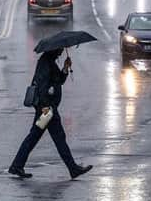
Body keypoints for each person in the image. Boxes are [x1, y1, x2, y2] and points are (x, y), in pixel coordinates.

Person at [9, 48, 93, 179]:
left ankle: (17, 165)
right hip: (47, 110)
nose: (60, 53)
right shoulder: (45, 64)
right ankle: (73, 168)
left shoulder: (50, 62)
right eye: (59, 50)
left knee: (34, 137)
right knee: (58, 139)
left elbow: (58, 81)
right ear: (52, 50)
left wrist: (65, 69)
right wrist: (47, 110)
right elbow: (42, 89)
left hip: (47, 110)